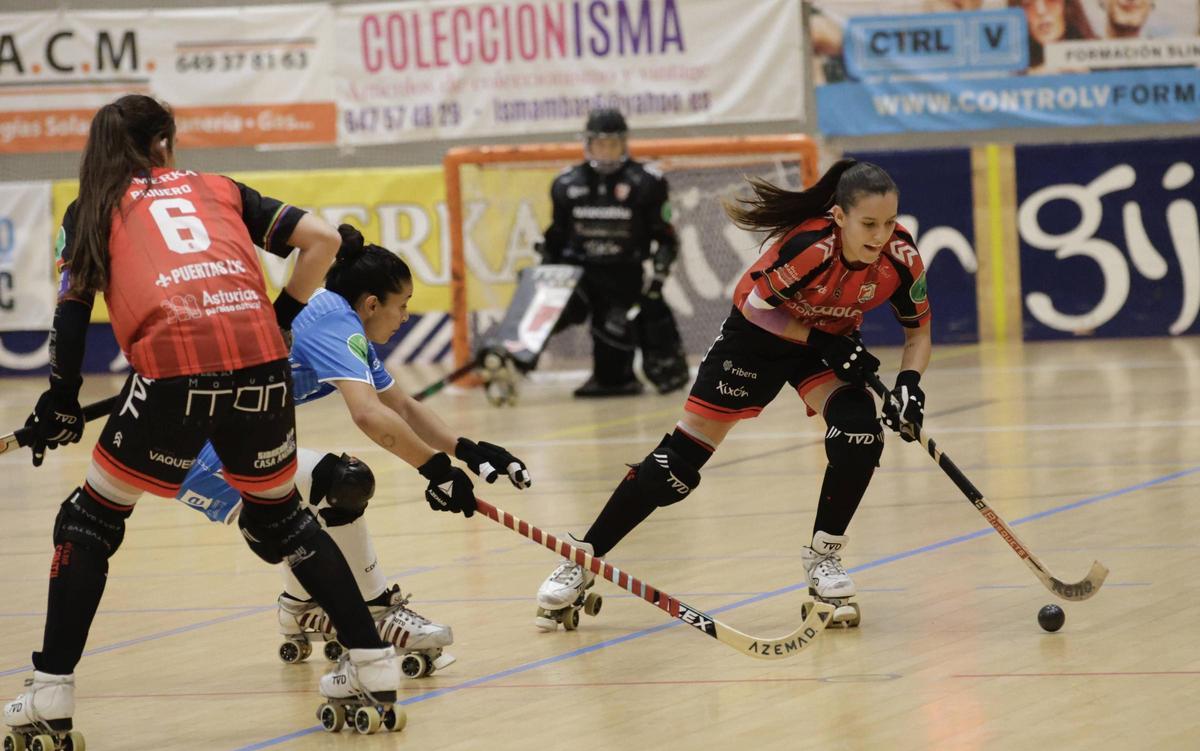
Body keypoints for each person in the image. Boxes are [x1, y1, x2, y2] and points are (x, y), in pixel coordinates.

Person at [2, 95, 399, 751]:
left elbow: (72, 315)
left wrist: (60, 403)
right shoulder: (219, 188)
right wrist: (276, 318)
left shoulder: (90, 209)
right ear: (162, 144)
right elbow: (323, 241)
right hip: (263, 365)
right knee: (286, 519)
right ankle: (372, 663)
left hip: (174, 372)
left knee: (90, 518)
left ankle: (50, 690)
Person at [531, 160, 932, 631]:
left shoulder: (900, 258)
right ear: (840, 217)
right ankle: (582, 558)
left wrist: (909, 386)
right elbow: (755, 307)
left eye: (889, 222)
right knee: (675, 468)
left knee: (859, 432)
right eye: (869, 223)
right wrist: (826, 341)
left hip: (824, 347)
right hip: (758, 338)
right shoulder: (809, 246)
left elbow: (918, 332)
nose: (881, 234)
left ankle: (825, 560)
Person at [174, 224, 532, 678]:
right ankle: (379, 610)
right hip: (199, 453)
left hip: (228, 443)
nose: (404, 317)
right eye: (402, 306)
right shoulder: (335, 324)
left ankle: (300, 605)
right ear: (371, 304)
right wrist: (435, 469)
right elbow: (366, 415)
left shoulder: (338, 317)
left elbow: (400, 404)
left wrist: (467, 451)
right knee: (340, 482)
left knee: (312, 496)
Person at [537, 108, 687, 397]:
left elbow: (666, 238)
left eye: (612, 144)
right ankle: (506, 361)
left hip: (624, 275)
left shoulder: (647, 182)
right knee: (539, 311)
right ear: (588, 144)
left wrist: (655, 282)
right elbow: (555, 236)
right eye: (600, 144)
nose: (605, 151)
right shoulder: (566, 183)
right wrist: (544, 272)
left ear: (624, 143)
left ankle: (617, 375)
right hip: (576, 274)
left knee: (615, 358)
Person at [1010, 0, 1096, 71]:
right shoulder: (1013, 78)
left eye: (1051, 0)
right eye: (1027, 4)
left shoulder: (1101, 61)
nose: (1040, 10)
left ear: (1067, 6)